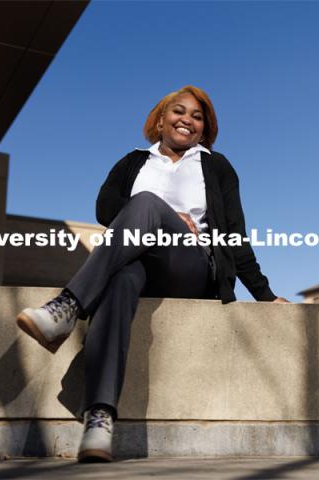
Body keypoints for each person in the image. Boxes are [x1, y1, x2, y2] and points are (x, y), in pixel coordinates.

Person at [16, 85, 288, 463]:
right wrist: (159, 217)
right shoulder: (133, 161)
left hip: (192, 266)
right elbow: (105, 208)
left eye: (198, 117)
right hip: (140, 262)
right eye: (180, 112)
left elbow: (234, 235)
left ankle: (67, 305)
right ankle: (100, 417)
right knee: (122, 277)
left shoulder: (215, 165)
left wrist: (264, 293)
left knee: (146, 204)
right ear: (160, 120)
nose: (188, 121)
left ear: (204, 130)